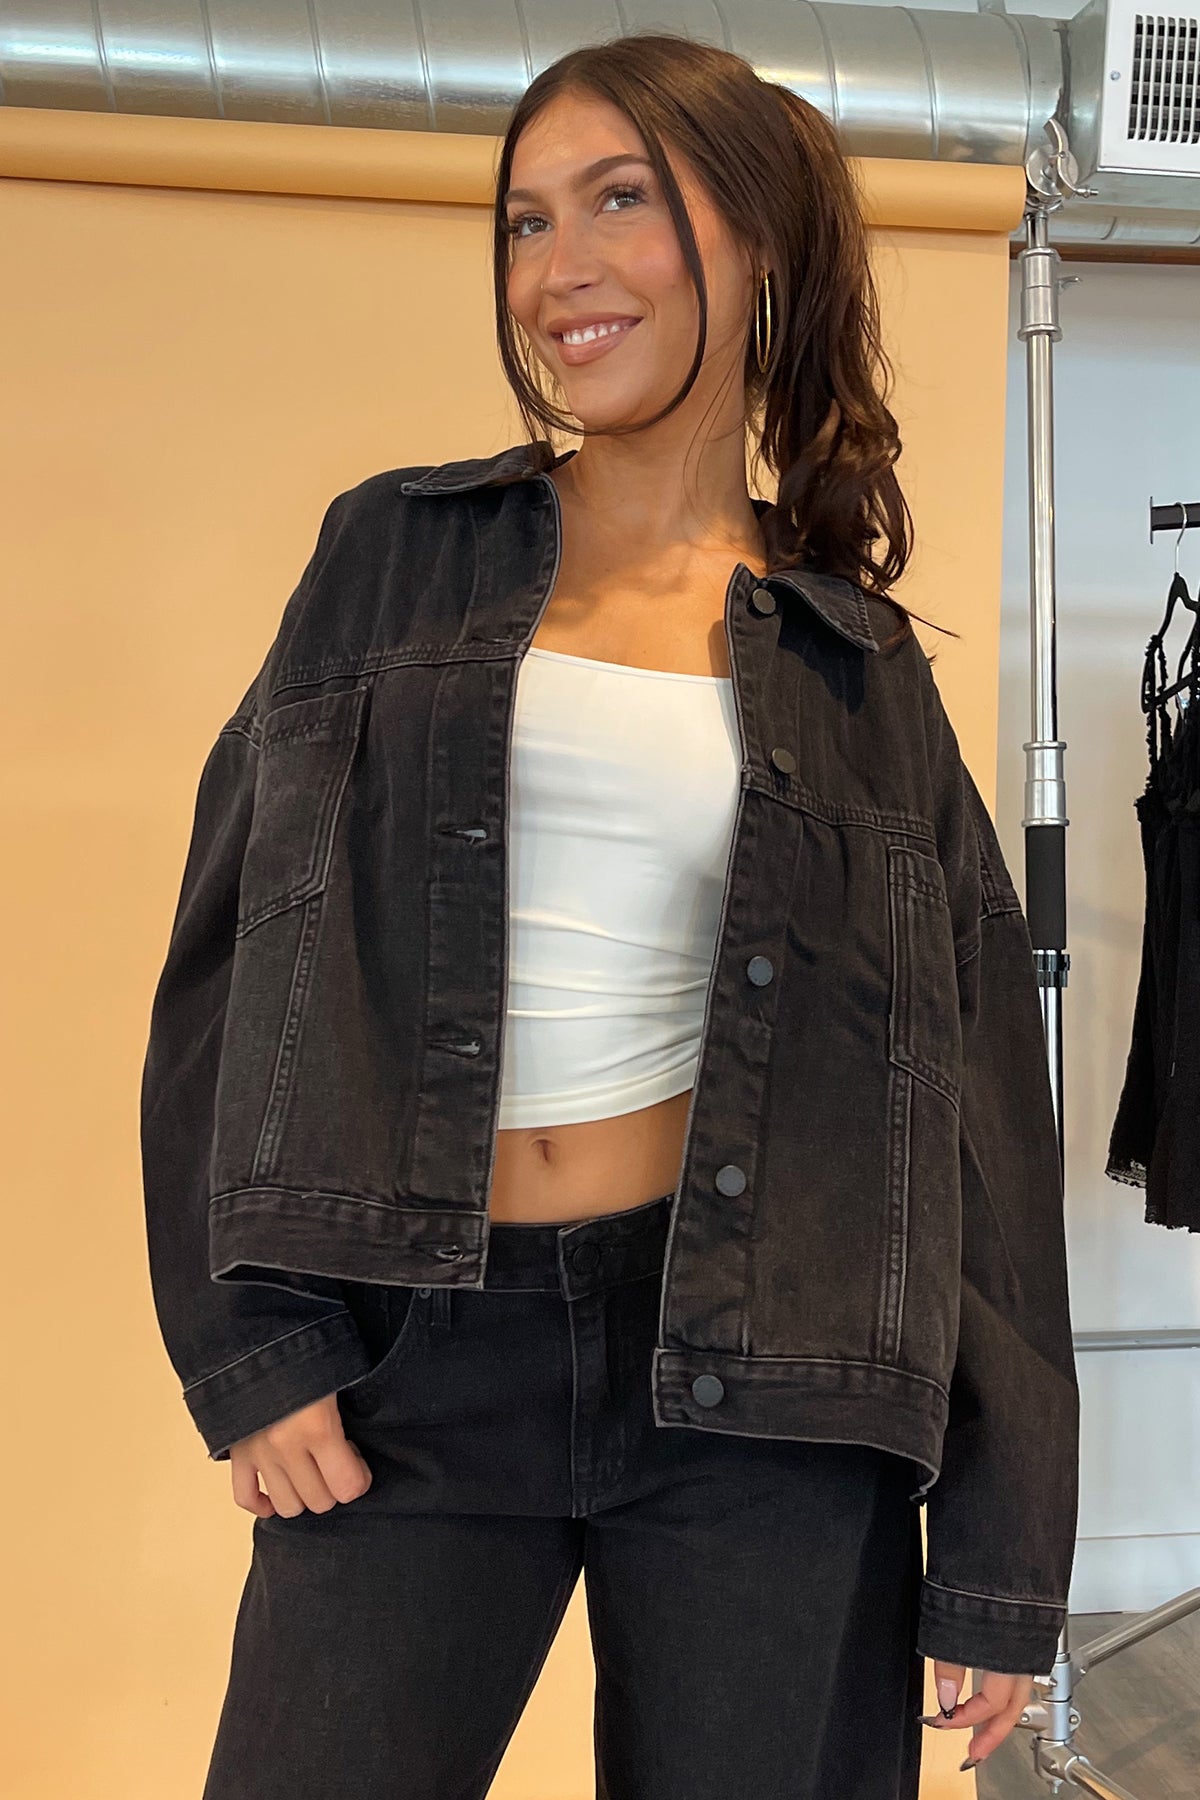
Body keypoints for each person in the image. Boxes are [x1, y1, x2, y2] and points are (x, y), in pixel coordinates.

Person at [140, 31, 1079, 1800]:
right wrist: (254, 1348)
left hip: (775, 1379)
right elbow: (229, 965)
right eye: (526, 220)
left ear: (756, 242)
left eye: (620, 201)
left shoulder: (855, 661)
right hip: (417, 1352)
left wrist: (1004, 1553)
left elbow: (973, 1120)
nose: (559, 266)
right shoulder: (392, 556)